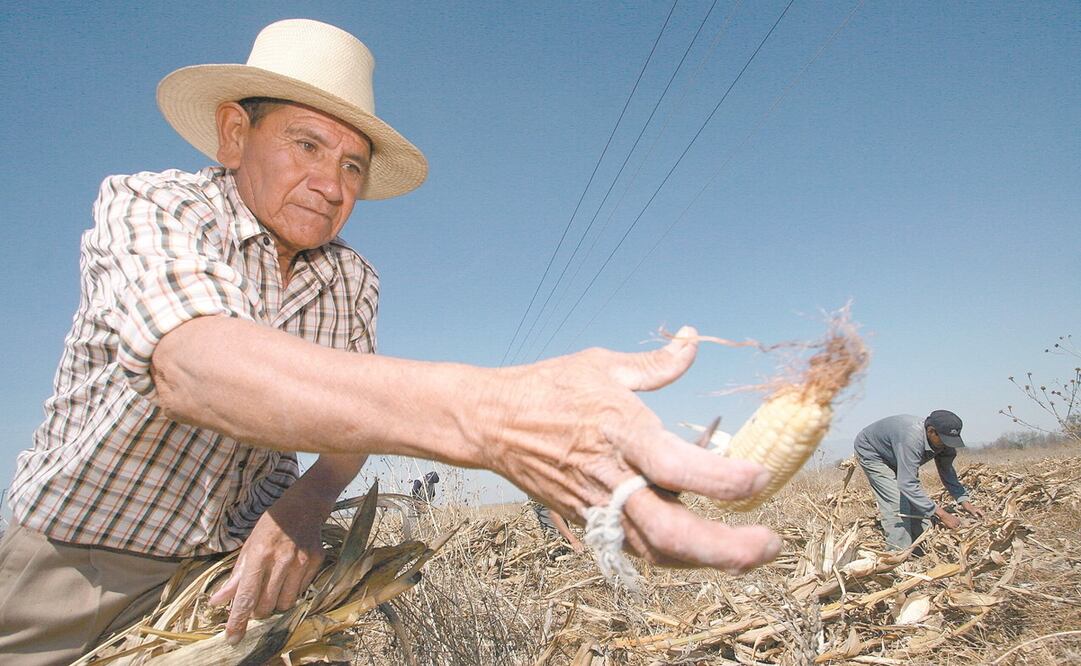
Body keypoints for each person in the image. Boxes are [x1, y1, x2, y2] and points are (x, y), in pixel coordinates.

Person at [0, 19, 781, 664]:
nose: (333, 184)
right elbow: (197, 365)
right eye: (305, 146)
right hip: (72, 566)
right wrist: (497, 417)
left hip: (233, 572)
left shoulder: (351, 280)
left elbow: (347, 438)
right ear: (234, 134)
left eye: (351, 164)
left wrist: (303, 507)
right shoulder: (151, 206)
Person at [854, 410, 985, 550]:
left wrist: (965, 502)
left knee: (914, 501)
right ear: (931, 431)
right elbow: (907, 484)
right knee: (896, 502)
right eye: (944, 440)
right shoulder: (912, 439)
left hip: (897, 451)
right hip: (873, 451)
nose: (947, 445)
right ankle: (896, 555)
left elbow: (947, 472)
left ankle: (920, 549)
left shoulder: (943, 442)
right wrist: (943, 515)